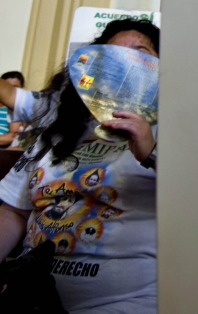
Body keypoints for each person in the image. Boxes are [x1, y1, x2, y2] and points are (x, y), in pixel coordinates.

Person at [0, 18, 160, 313]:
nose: (126, 62)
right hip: (29, 295)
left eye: (141, 52)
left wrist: (151, 151)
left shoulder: (173, 129)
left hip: (126, 302)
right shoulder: (59, 131)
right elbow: (13, 210)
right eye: (111, 56)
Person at [0, 71, 25, 148]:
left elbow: (13, 136)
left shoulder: (17, 108)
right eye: (7, 87)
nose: (10, 90)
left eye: (15, 87)